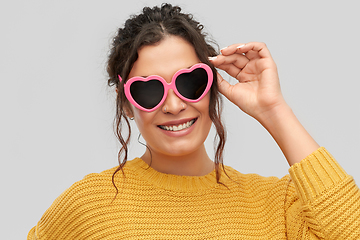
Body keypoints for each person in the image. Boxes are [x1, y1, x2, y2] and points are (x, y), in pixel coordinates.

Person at [28, 3, 360, 239]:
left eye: (190, 83)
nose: (173, 105)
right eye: (148, 90)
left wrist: (273, 109)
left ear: (213, 86)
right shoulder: (89, 207)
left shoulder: (275, 206)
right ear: (127, 104)